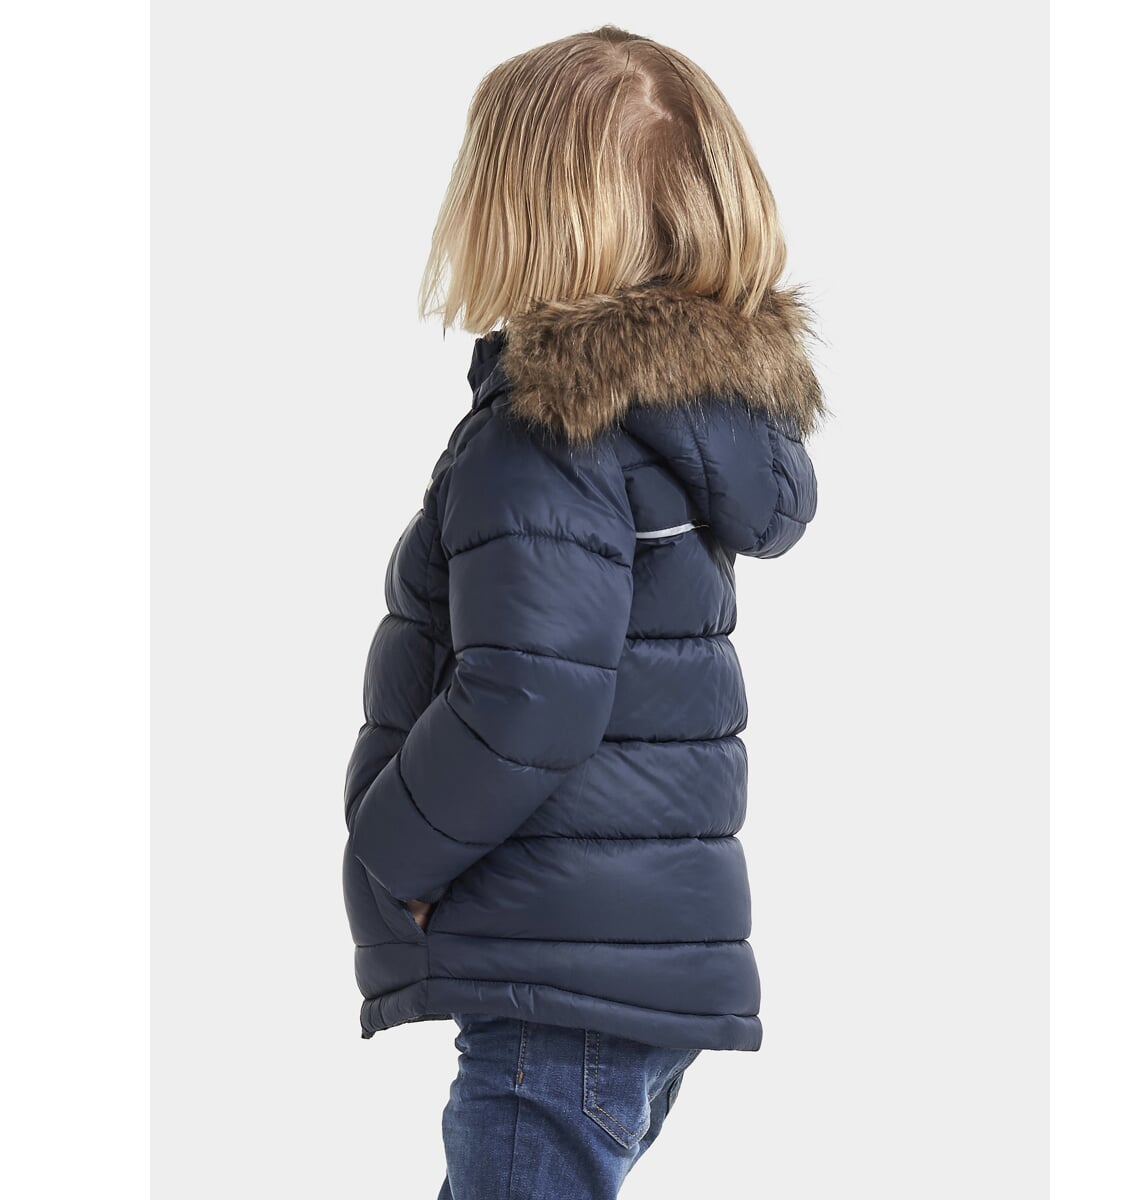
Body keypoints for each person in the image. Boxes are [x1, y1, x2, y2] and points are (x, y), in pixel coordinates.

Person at [341, 24, 826, 1199]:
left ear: (518, 211)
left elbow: (528, 698)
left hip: (553, 981)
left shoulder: (547, 441)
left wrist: (391, 851)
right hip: (632, 967)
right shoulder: (678, 434)